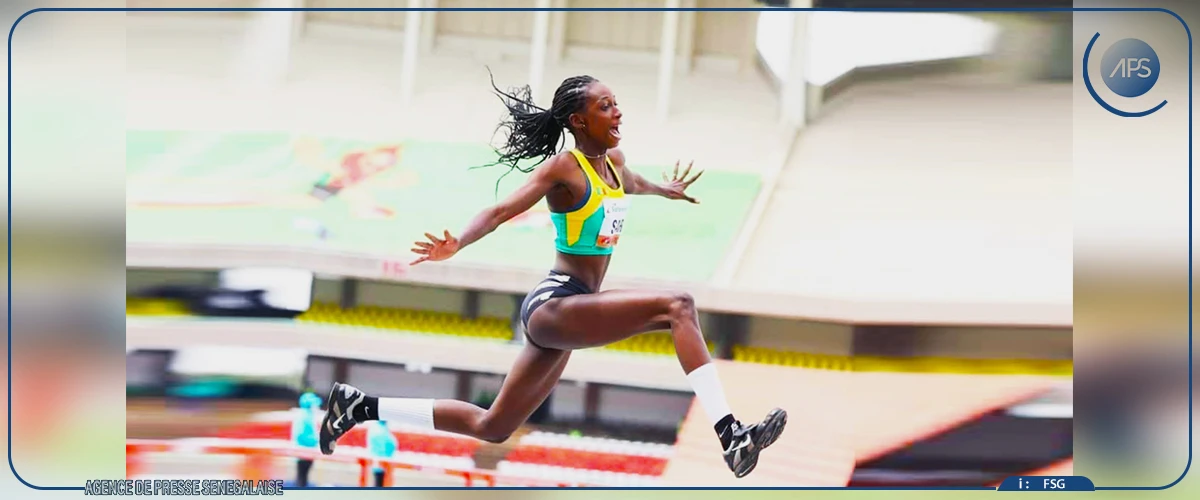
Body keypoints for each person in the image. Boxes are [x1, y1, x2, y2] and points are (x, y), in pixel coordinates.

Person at [319, 73, 786, 478]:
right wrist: (457, 243)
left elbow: (634, 184)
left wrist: (666, 189)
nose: (618, 112)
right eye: (606, 106)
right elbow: (501, 210)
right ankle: (730, 433)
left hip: (575, 308)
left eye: (616, 103)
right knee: (677, 306)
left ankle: (359, 406)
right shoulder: (565, 167)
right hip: (556, 305)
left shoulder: (616, 165)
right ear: (580, 121)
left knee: (494, 427)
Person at [291, 390, 322, 487]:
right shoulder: (304, 416)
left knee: (303, 477)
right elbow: (300, 435)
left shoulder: (308, 415)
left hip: (306, 453)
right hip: (303, 453)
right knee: (301, 478)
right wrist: (316, 440)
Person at [366, 420, 398, 487]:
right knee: (380, 482)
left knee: (378, 481)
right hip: (383, 462)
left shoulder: (375, 428)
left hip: (379, 461)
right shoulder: (380, 429)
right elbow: (389, 444)